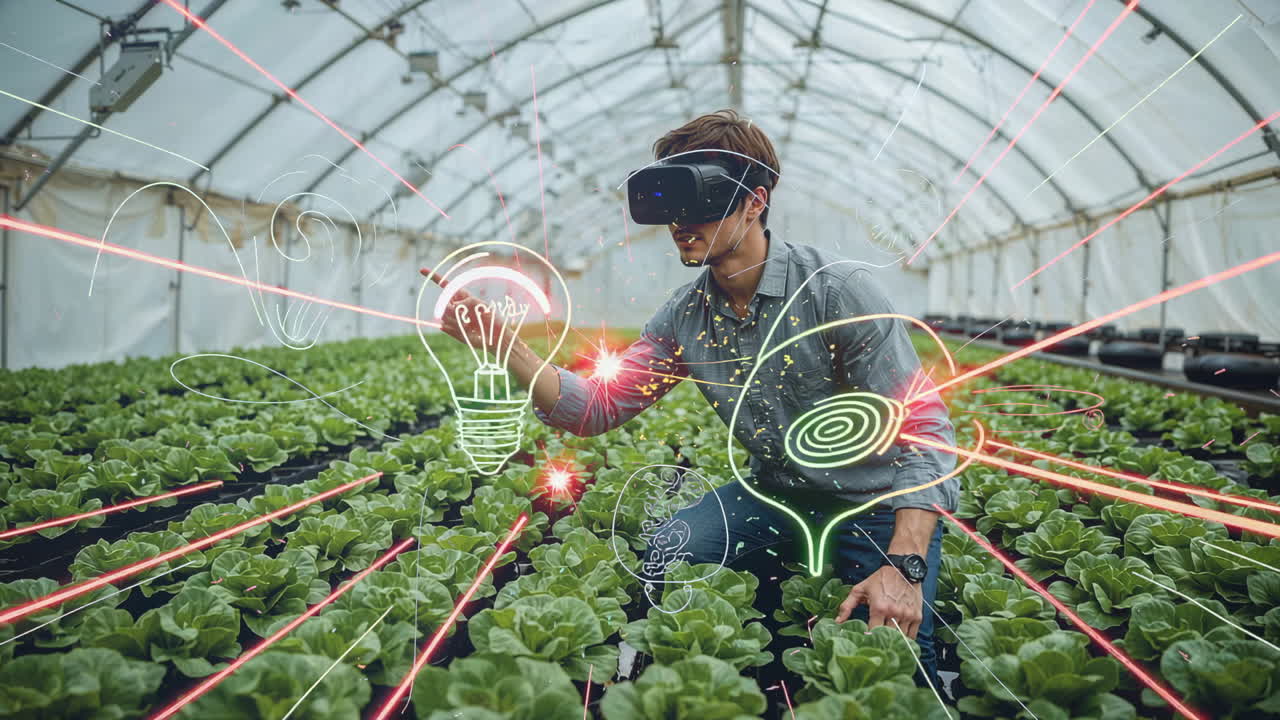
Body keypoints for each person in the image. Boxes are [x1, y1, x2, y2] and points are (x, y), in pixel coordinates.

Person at [424, 109, 958, 689]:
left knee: (898, 661)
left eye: (700, 201)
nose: (680, 223)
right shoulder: (686, 315)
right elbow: (598, 406)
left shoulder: (835, 292)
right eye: (670, 204)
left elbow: (924, 429)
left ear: (755, 201)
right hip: (776, 491)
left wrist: (905, 562)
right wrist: (506, 347)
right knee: (668, 553)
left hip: (874, 501)